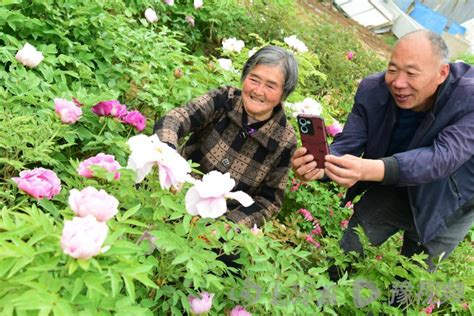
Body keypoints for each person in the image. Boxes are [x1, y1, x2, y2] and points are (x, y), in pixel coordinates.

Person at [292, 30, 474, 271]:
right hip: (393, 187)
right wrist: (320, 165)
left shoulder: (468, 97)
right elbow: (348, 142)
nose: (398, 83)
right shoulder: (373, 90)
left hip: (450, 200)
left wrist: (371, 168)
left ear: (442, 73)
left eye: (411, 73)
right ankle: (322, 297)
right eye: (392, 69)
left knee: (411, 279)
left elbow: (442, 157)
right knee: (346, 255)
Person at [154, 45, 298, 228]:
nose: (258, 91)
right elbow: (175, 119)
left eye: (270, 86)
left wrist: (228, 227)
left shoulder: (285, 140)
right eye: (254, 79)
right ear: (245, 77)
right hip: (179, 191)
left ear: (284, 93)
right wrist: (170, 161)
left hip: (221, 222)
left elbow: (268, 202)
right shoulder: (224, 99)